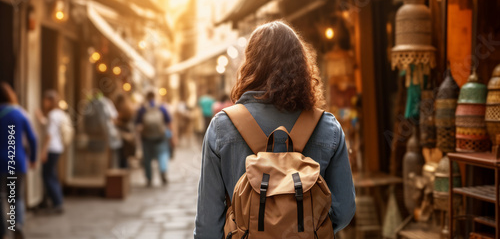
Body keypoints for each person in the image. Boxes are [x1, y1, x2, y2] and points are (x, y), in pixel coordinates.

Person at [194, 21, 356, 238]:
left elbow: (208, 223)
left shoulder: (222, 126)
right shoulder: (328, 128)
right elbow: (344, 210)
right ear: (302, 67)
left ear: (250, 66)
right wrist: (308, 226)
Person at [0, 82, 37, 239]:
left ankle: (2, 230)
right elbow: (33, 139)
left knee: (1, 196)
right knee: (16, 197)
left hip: (1, 161)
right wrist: (33, 158)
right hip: (17, 160)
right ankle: (17, 224)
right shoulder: (20, 113)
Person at [136, 91, 173, 187]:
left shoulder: (142, 109)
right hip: (160, 137)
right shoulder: (161, 107)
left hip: (147, 138)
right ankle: (163, 171)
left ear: (146, 97)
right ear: (155, 96)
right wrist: (172, 137)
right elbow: (169, 123)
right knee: (162, 155)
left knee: (147, 159)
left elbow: (138, 126)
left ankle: (149, 178)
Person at [40, 90, 65, 214]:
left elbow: (49, 134)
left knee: (48, 176)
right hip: (58, 147)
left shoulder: (52, 115)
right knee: (52, 175)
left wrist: (43, 151)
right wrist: (41, 119)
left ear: (49, 101)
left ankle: (57, 202)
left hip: (51, 148)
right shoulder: (59, 113)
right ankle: (57, 201)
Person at [115, 94, 136, 168]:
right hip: (128, 132)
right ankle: (125, 170)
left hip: (121, 132)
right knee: (125, 155)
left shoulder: (120, 108)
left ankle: (122, 169)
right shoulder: (129, 107)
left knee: (121, 154)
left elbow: (118, 120)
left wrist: (117, 123)